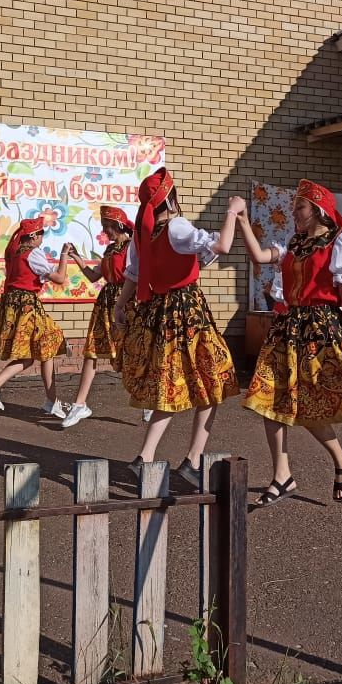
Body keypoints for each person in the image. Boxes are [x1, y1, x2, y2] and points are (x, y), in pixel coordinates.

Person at [235, 179, 342, 506]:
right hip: (288, 327)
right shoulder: (295, 243)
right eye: (294, 208)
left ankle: (341, 459)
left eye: (300, 207)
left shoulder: (341, 242)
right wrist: (243, 221)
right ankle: (282, 475)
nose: (294, 213)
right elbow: (260, 255)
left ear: (318, 210)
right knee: (269, 397)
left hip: (320, 329)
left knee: (309, 405)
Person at [112, 168, 243, 489]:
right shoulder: (176, 226)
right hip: (188, 313)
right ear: (170, 198)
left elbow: (134, 274)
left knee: (169, 385)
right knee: (213, 379)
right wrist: (232, 211)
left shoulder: (144, 234)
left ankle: (145, 457)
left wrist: (119, 305)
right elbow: (223, 246)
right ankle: (193, 460)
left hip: (159, 314)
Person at [0, 216, 70, 417]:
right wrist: (64, 255)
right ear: (33, 236)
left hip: (13, 304)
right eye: (41, 235)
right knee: (43, 346)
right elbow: (59, 278)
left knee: (41, 349)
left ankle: (50, 400)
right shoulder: (33, 253)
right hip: (27, 305)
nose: (42, 239)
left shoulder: (13, 251)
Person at [60, 205, 134, 429]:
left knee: (133, 351)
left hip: (129, 302)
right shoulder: (110, 250)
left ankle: (148, 398)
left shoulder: (133, 248)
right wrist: (76, 258)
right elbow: (94, 275)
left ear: (118, 226)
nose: (105, 232)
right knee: (92, 351)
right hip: (105, 303)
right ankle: (80, 404)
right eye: (104, 227)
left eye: (108, 227)